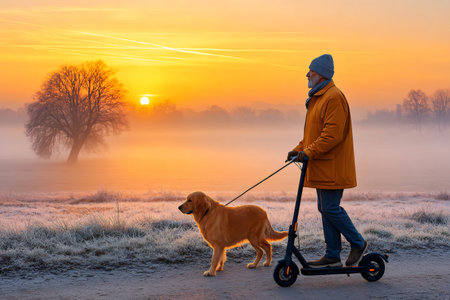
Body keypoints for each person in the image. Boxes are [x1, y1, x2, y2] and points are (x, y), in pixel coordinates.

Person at [287, 54, 367, 268]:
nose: (307, 74)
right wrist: (297, 150)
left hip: (332, 166)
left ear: (321, 74)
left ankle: (358, 243)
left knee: (330, 208)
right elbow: (312, 135)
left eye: (310, 70)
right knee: (325, 208)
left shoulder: (334, 97)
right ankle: (332, 255)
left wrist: (309, 153)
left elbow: (332, 135)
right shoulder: (318, 98)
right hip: (322, 165)